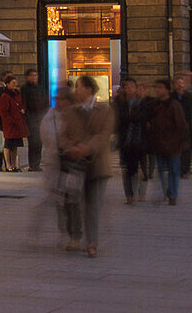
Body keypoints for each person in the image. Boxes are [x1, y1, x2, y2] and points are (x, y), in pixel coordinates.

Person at [59, 75, 114, 258]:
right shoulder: (71, 112)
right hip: (76, 164)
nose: (76, 91)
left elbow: (104, 134)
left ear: (90, 89)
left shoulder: (105, 110)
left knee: (93, 205)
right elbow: (63, 136)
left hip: (97, 164)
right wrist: (70, 148)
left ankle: (92, 242)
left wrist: (86, 148)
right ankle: (76, 236)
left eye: (79, 87)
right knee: (77, 202)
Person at [37, 86, 77, 247]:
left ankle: (74, 232)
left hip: (72, 163)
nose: (57, 102)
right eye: (56, 99)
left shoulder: (75, 116)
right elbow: (45, 137)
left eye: (60, 99)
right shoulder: (49, 116)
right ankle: (65, 230)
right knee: (59, 201)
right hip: (53, 163)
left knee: (72, 200)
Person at [147, 78, 190, 206]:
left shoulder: (174, 105)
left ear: (166, 90)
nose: (157, 90)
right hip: (159, 143)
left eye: (160, 87)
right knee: (161, 170)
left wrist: (183, 141)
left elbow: (181, 124)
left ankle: (172, 195)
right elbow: (149, 122)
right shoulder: (154, 105)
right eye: (156, 87)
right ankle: (167, 191)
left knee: (173, 170)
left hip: (173, 144)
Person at [114, 77, 147, 205]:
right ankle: (129, 195)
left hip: (139, 140)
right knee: (126, 169)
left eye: (131, 86)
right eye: (126, 87)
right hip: (125, 141)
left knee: (138, 168)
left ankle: (138, 190)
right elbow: (117, 119)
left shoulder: (142, 102)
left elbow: (144, 119)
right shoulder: (119, 102)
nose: (129, 89)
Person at [0, 75, 28, 172]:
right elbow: (3, 111)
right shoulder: (5, 96)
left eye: (16, 82)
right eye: (13, 83)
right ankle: (8, 165)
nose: (15, 84)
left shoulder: (16, 94)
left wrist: (22, 110)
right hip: (10, 124)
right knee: (8, 145)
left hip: (17, 123)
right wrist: (10, 120)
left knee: (15, 146)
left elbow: (20, 104)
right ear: (7, 84)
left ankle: (14, 165)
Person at [173, 75, 192, 177]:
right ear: (174, 85)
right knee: (177, 150)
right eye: (177, 83)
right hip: (175, 128)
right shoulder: (172, 97)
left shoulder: (190, 96)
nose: (180, 85)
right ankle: (179, 168)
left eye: (181, 83)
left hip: (188, 127)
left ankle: (185, 169)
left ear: (184, 84)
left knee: (187, 150)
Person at [21, 69, 48, 172]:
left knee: (39, 142)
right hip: (31, 118)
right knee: (32, 142)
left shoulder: (40, 88)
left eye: (35, 75)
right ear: (27, 77)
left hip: (40, 117)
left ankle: (37, 163)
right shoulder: (25, 88)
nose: (34, 77)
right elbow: (24, 103)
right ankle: (32, 164)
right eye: (32, 75)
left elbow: (45, 101)